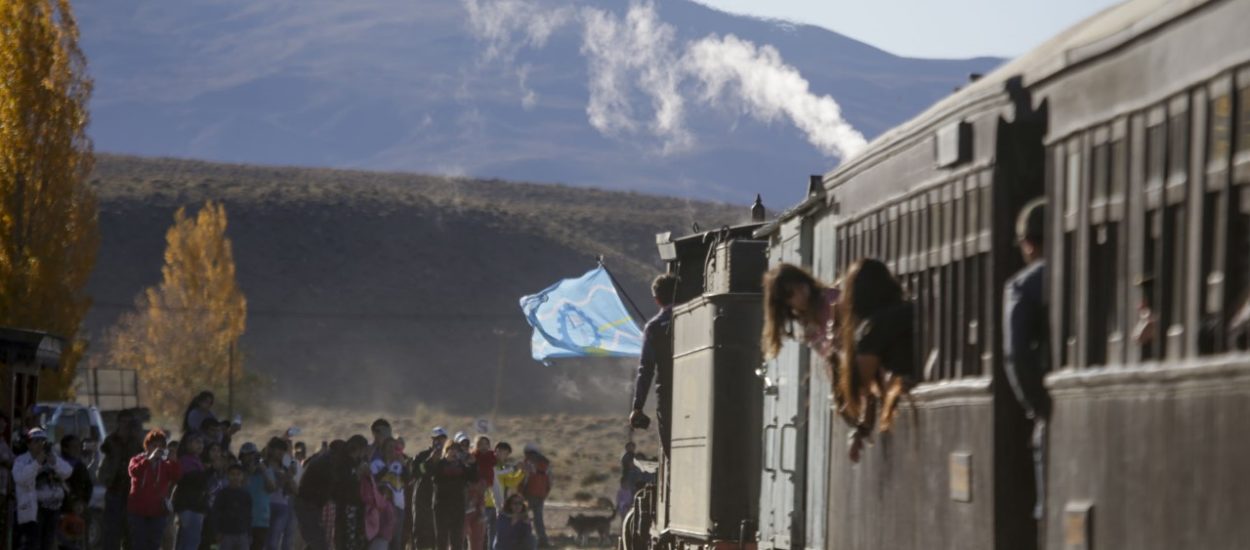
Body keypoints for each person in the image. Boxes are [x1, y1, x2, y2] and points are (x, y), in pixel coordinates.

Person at [1003, 198, 1051, 521]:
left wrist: (1040, 406)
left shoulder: (1024, 285)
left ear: (1029, 244)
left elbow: (1016, 355)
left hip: (1053, 409)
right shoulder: (1100, 262)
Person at [630, 274, 678, 457]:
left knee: (671, 448)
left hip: (668, 393)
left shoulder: (654, 327)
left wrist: (638, 407)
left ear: (657, 300)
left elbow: (646, 369)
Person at [13, 428, 73, 550]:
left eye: (43, 441)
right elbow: (20, 478)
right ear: (29, 444)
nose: (40, 445)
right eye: (36, 441)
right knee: (33, 544)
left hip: (53, 508)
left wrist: (54, 462)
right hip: (33, 510)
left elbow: (68, 471)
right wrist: (37, 463)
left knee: (49, 544)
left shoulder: (51, 457)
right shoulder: (21, 460)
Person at [128, 429, 183, 550]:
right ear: (147, 446)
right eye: (154, 445)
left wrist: (174, 461)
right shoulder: (137, 460)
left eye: (161, 446)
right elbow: (134, 472)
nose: (158, 449)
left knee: (154, 544)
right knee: (139, 544)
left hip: (158, 512)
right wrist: (149, 460)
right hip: (138, 511)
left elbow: (176, 477)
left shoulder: (165, 464)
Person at [101, 410, 144, 550]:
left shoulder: (136, 441)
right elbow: (106, 459)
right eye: (123, 421)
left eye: (128, 422)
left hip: (131, 491)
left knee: (130, 531)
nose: (125, 425)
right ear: (118, 422)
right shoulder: (111, 440)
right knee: (111, 530)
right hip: (114, 488)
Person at [428, 434, 477, 550]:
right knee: (441, 538)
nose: (454, 453)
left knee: (457, 538)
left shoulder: (462, 466)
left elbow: (474, 478)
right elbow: (432, 476)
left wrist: (473, 464)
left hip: (458, 506)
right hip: (441, 506)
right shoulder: (440, 464)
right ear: (447, 451)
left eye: (457, 451)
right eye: (452, 450)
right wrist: (432, 460)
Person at [411, 427, 448, 550]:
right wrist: (430, 461)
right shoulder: (422, 456)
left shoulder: (448, 458)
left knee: (438, 535)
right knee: (421, 533)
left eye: (442, 439)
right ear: (432, 440)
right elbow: (416, 472)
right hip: (422, 499)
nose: (439, 442)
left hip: (440, 500)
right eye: (436, 439)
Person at [236, 443, 276, 550]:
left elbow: (272, 488)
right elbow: (238, 490)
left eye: (252, 455)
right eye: (247, 455)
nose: (250, 458)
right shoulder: (238, 471)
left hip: (261, 519)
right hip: (243, 520)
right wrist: (248, 473)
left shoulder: (265, 470)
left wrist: (263, 472)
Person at [369, 438, 407, 550]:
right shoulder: (376, 464)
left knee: (396, 540)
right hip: (381, 507)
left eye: (394, 447)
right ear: (383, 449)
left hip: (398, 506)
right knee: (382, 538)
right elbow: (376, 478)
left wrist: (403, 465)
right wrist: (388, 465)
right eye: (389, 447)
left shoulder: (399, 464)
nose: (391, 450)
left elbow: (408, 479)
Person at [173, 434, 209, 550]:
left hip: (196, 507)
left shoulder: (197, 461)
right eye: (196, 442)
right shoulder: (185, 460)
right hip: (188, 507)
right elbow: (194, 480)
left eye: (201, 442)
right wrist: (210, 471)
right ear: (187, 444)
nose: (200, 445)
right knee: (189, 543)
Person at [265, 438, 298, 550]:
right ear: (271, 450)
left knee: (274, 543)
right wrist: (287, 476)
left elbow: (294, 489)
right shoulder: (264, 465)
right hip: (266, 506)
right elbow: (273, 486)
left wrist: (291, 458)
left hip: (282, 507)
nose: (281, 452)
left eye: (283, 450)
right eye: (278, 449)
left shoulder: (284, 468)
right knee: (265, 541)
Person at [518, 444, 551, 548]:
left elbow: (523, 479)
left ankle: (522, 540)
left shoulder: (527, 463)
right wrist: (545, 493)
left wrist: (520, 493)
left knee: (522, 517)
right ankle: (543, 541)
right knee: (538, 520)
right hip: (541, 494)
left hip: (528, 494)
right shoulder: (546, 464)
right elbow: (550, 481)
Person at [198, 442, 229, 550]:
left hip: (219, 516)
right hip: (204, 513)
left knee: (215, 544)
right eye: (213, 450)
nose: (216, 453)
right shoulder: (201, 467)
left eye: (218, 451)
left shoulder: (224, 474)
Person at [214, 464, 253, 550]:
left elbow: (248, 515)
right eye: (232, 474)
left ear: (242, 476)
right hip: (226, 534)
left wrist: (249, 533)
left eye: (238, 474)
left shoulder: (246, 495)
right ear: (228, 476)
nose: (235, 477)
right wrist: (217, 531)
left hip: (242, 533)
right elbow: (216, 513)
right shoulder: (222, 494)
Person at [466, 436, 495, 550]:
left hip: (488, 495)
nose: (483, 446)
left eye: (486, 444)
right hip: (473, 495)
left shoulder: (493, 458)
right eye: (480, 444)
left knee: (483, 529)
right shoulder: (473, 458)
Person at [0, 414, 16, 545]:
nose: (2, 426)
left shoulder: (4, 442)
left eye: (4, 424)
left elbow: (12, 462)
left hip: (4, 488)